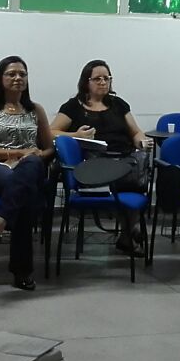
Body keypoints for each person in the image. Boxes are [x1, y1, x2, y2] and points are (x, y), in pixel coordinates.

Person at [50, 60, 153, 256]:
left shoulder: (118, 104)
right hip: (94, 165)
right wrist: (76, 135)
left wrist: (141, 142)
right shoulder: (74, 106)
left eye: (107, 78)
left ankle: (127, 233)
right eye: (97, 78)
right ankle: (130, 231)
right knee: (127, 180)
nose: (103, 82)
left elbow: (135, 132)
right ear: (86, 82)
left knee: (136, 175)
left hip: (123, 159)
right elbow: (51, 132)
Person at [0, 56, 55, 290]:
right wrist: (18, 153)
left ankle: (1, 219)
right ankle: (22, 272)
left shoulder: (35, 109)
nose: (18, 78)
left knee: (30, 169)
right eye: (11, 74)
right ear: (0, 78)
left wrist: (36, 155)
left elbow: (49, 148)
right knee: (26, 195)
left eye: (22, 74)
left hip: (31, 168)